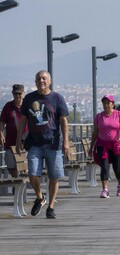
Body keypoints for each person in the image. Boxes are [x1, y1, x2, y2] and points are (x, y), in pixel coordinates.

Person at [15, 70, 69, 219]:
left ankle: (50, 207)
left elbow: (64, 121)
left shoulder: (57, 98)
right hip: (34, 144)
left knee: (54, 177)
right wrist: (18, 140)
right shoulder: (29, 99)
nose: (41, 81)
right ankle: (40, 197)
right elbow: (23, 121)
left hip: (53, 144)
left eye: (44, 78)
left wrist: (65, 141)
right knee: (32, 174)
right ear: (35, 82)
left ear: (50, 81)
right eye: (39, 79)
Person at [89, 94, 120, 198]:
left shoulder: (118, 114)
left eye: (108, 103)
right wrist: (91, 147)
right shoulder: (99, 116)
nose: (106, 105)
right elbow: (95, 132)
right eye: (104, 103)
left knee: (117, 167)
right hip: (103, 144)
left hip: (116, 144)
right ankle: (105, 189)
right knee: (104, 167)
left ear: (113, 104)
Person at [0, 84, 27, 178]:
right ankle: (16, 183)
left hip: (25, 142)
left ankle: (21, 189)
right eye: (16, 93)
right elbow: (2, 122)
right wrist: (1, 134)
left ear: (23, 94)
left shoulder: (27, 106)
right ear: (12, 94)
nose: (18, 96)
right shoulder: (8, 106)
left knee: (24, 166)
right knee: (12, 166)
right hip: (10, 142)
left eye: (19, 93)